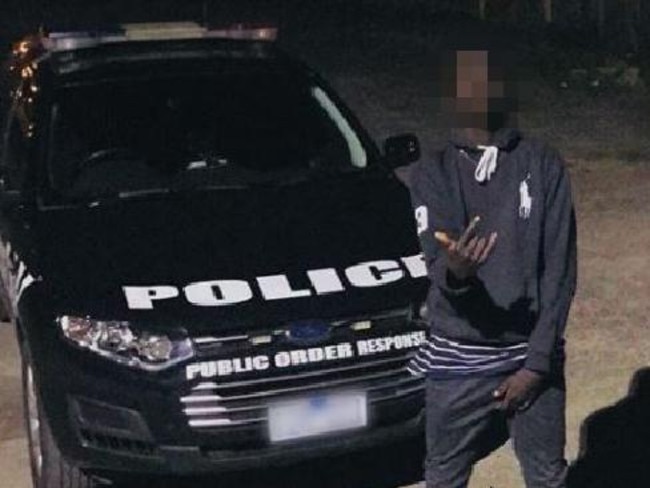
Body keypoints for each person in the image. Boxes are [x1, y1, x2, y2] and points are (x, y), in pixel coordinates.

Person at [403, 29, 577, 488]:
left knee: (547, 474)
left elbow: (559, 270)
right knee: (444, 474)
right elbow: (438, 265)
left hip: (529, 353)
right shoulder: (433, 173)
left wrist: (537, 365)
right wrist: (458, 273)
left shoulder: (542, 164)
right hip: (458, 357)